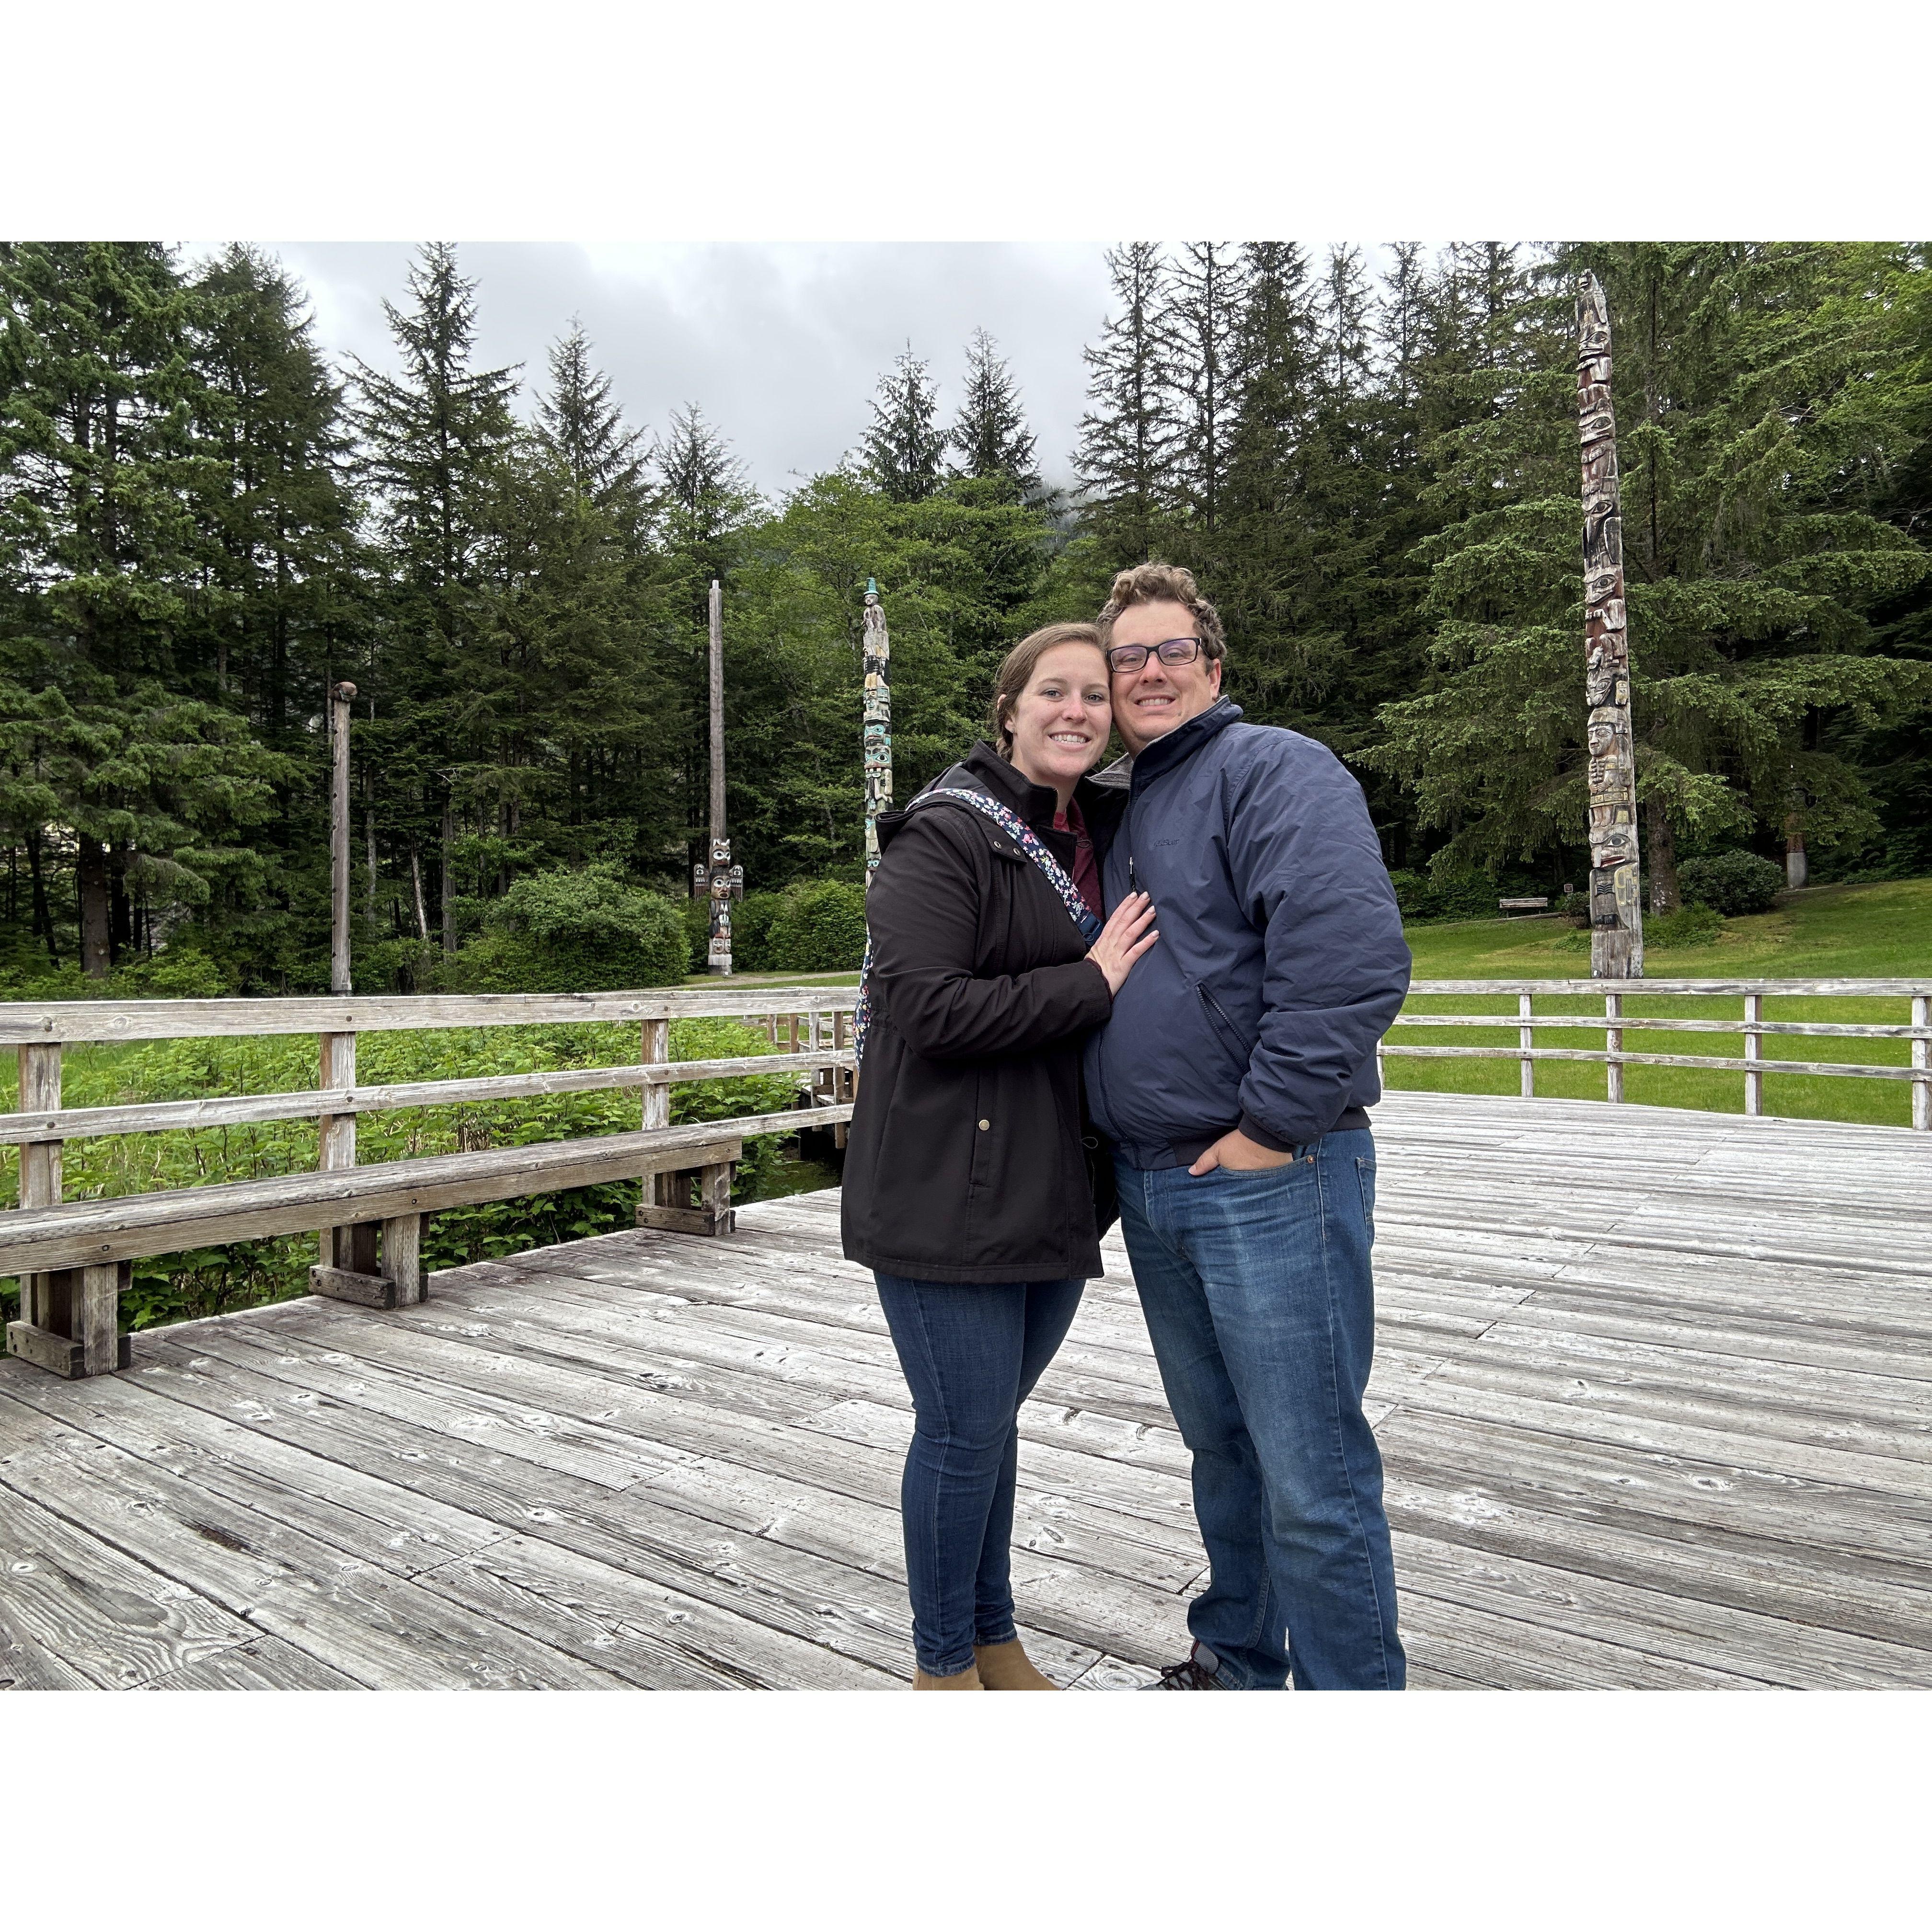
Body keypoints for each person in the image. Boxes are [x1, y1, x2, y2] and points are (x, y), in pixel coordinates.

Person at [1083, 563, 1412, 1690]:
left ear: (1213, 669)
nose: (1151, 672)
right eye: (1130, 657)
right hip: (1155, 1181)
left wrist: (1272, 1126)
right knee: (1223, 1451)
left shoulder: (1273, 767)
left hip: (1273, 1174)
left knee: (1310, 1473)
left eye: (1173, 651)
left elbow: (1350, 954)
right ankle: (1236, 1657)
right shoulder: (1123, 810)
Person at [841, 621, 1159, 1690]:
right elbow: (923, 1008)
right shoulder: (944, 834)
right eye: (1053, 692)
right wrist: (1091, 982)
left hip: (1053, 1185)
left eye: (1093, 696)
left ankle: (993, 1639)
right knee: (962, 1431)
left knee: (989, 1427)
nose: (1076, 710)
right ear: (1011, 710)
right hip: (945, 1188)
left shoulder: (1105, 824)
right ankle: (942, 1673)